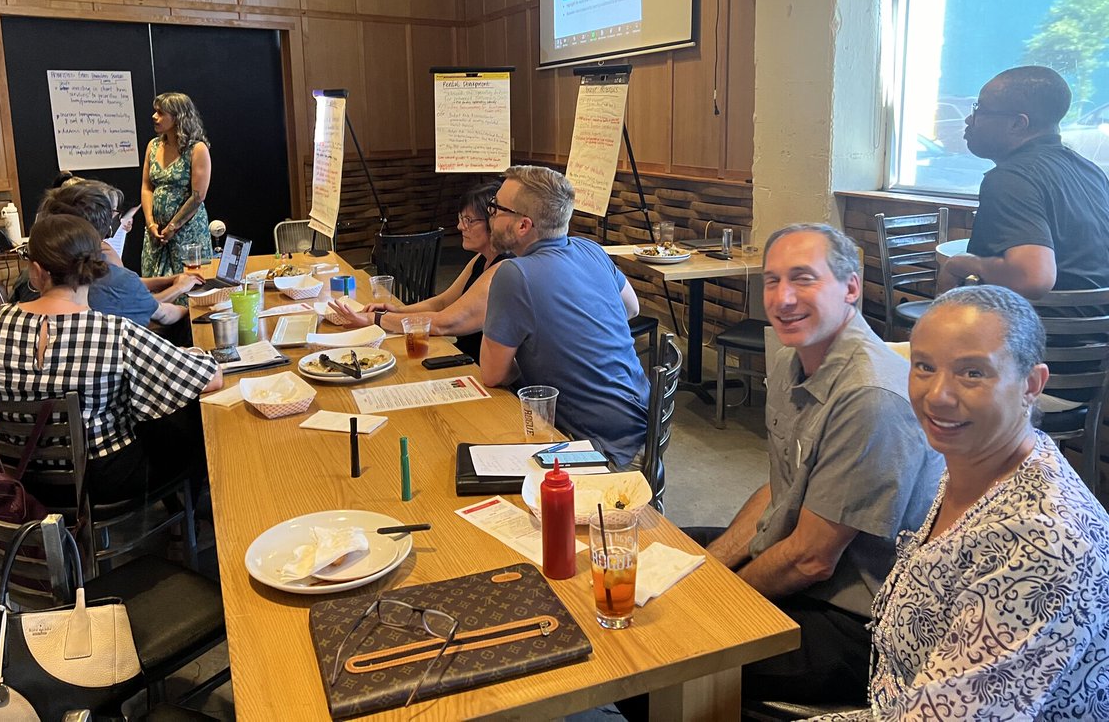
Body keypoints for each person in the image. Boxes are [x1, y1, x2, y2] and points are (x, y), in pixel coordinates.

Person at [812, 286, 1109, 720]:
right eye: (924, 366)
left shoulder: (1044, 541)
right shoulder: (975, 465)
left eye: (972, 373)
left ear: (1031, 385)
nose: (938, 395)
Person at [689, 223, 943, 705]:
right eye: (772, 280)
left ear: (850, 288)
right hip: (805, 566)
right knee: (654, 559)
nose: (783, 298)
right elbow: (779, 490)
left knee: (663, 656)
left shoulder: (869, 396)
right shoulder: (794, 360)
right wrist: (708, 570)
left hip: (860, 622)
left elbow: (811, 559)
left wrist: (717, 601)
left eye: (803, 278)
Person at [0, 214, 222, 504]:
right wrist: (193, 354)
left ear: (36, 271)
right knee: (194, 428)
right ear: (97, 268)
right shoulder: (113, 331)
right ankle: (189, 521)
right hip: (103, 481)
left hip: (18, 479)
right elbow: (210, 379)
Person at [480, 165, 649, 468]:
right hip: (646, 425)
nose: (490, 215)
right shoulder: (591, 250)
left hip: (600, 450)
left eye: (497, 208)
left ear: (523, 225)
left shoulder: (514, 274)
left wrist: (538, 358)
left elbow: (493, 375)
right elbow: (631, 308)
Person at [940, 65, 1109, 299]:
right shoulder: (1090, 171)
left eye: (979, 109)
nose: (969, 119)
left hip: (1040, 321)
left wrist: (962, 263)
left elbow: (1032, 277)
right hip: (1098, 321)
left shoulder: (1011, 178)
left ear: (1018, 124)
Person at [329, 182, 510, 355]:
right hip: (460, 355)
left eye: (469, 220)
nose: (460, 226)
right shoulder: (481, 259)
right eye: (462, 218)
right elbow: (441, 303)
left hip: (477, 368)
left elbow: (444, 323)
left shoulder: (503, 271)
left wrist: (375, 319)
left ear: (493, 222)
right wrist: (394, 311)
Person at [40, 181, 203, 330]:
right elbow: (157, 310)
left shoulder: (51, 265)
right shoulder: (105, 266)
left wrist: (170, 281)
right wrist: (183, 294)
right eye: (113, 212)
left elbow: (129, 289)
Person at [141, 92, 212, 277]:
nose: (154, 116)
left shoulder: (196, 149)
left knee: (190, 281)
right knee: (154, 280)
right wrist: (150, 223)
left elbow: (198, 196)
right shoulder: (153, 146)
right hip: (156, 232)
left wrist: (173, 226)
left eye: (160, 113)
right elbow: (147, 187)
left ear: (178, 117)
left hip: (187, 231)